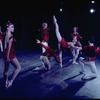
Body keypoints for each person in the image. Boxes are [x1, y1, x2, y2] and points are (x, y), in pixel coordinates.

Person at [3, 21, 21, 88]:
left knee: (6, 71)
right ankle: (10, 82)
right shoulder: (11, 36)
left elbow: (5, 47)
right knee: (18, 68)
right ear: (8, 28)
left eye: (13, 27)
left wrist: (5, 55)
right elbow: (9, 48)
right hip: (10, 54)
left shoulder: (5, 36)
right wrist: (8, 57)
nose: (13, 28)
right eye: (12, 27)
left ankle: (5, 83)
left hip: (6, 53)